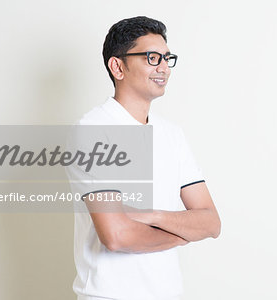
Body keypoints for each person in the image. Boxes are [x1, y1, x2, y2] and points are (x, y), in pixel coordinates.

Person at [66, 16, 221, 300]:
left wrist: (153, 215)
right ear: (118, 67)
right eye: (152, 58)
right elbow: (117, 236)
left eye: (166, 58)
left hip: (168, 293)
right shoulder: (92, 131)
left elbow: (211, 222)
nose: (163, 68)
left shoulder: (171, 134)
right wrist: (183, 232)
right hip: (109, 295)